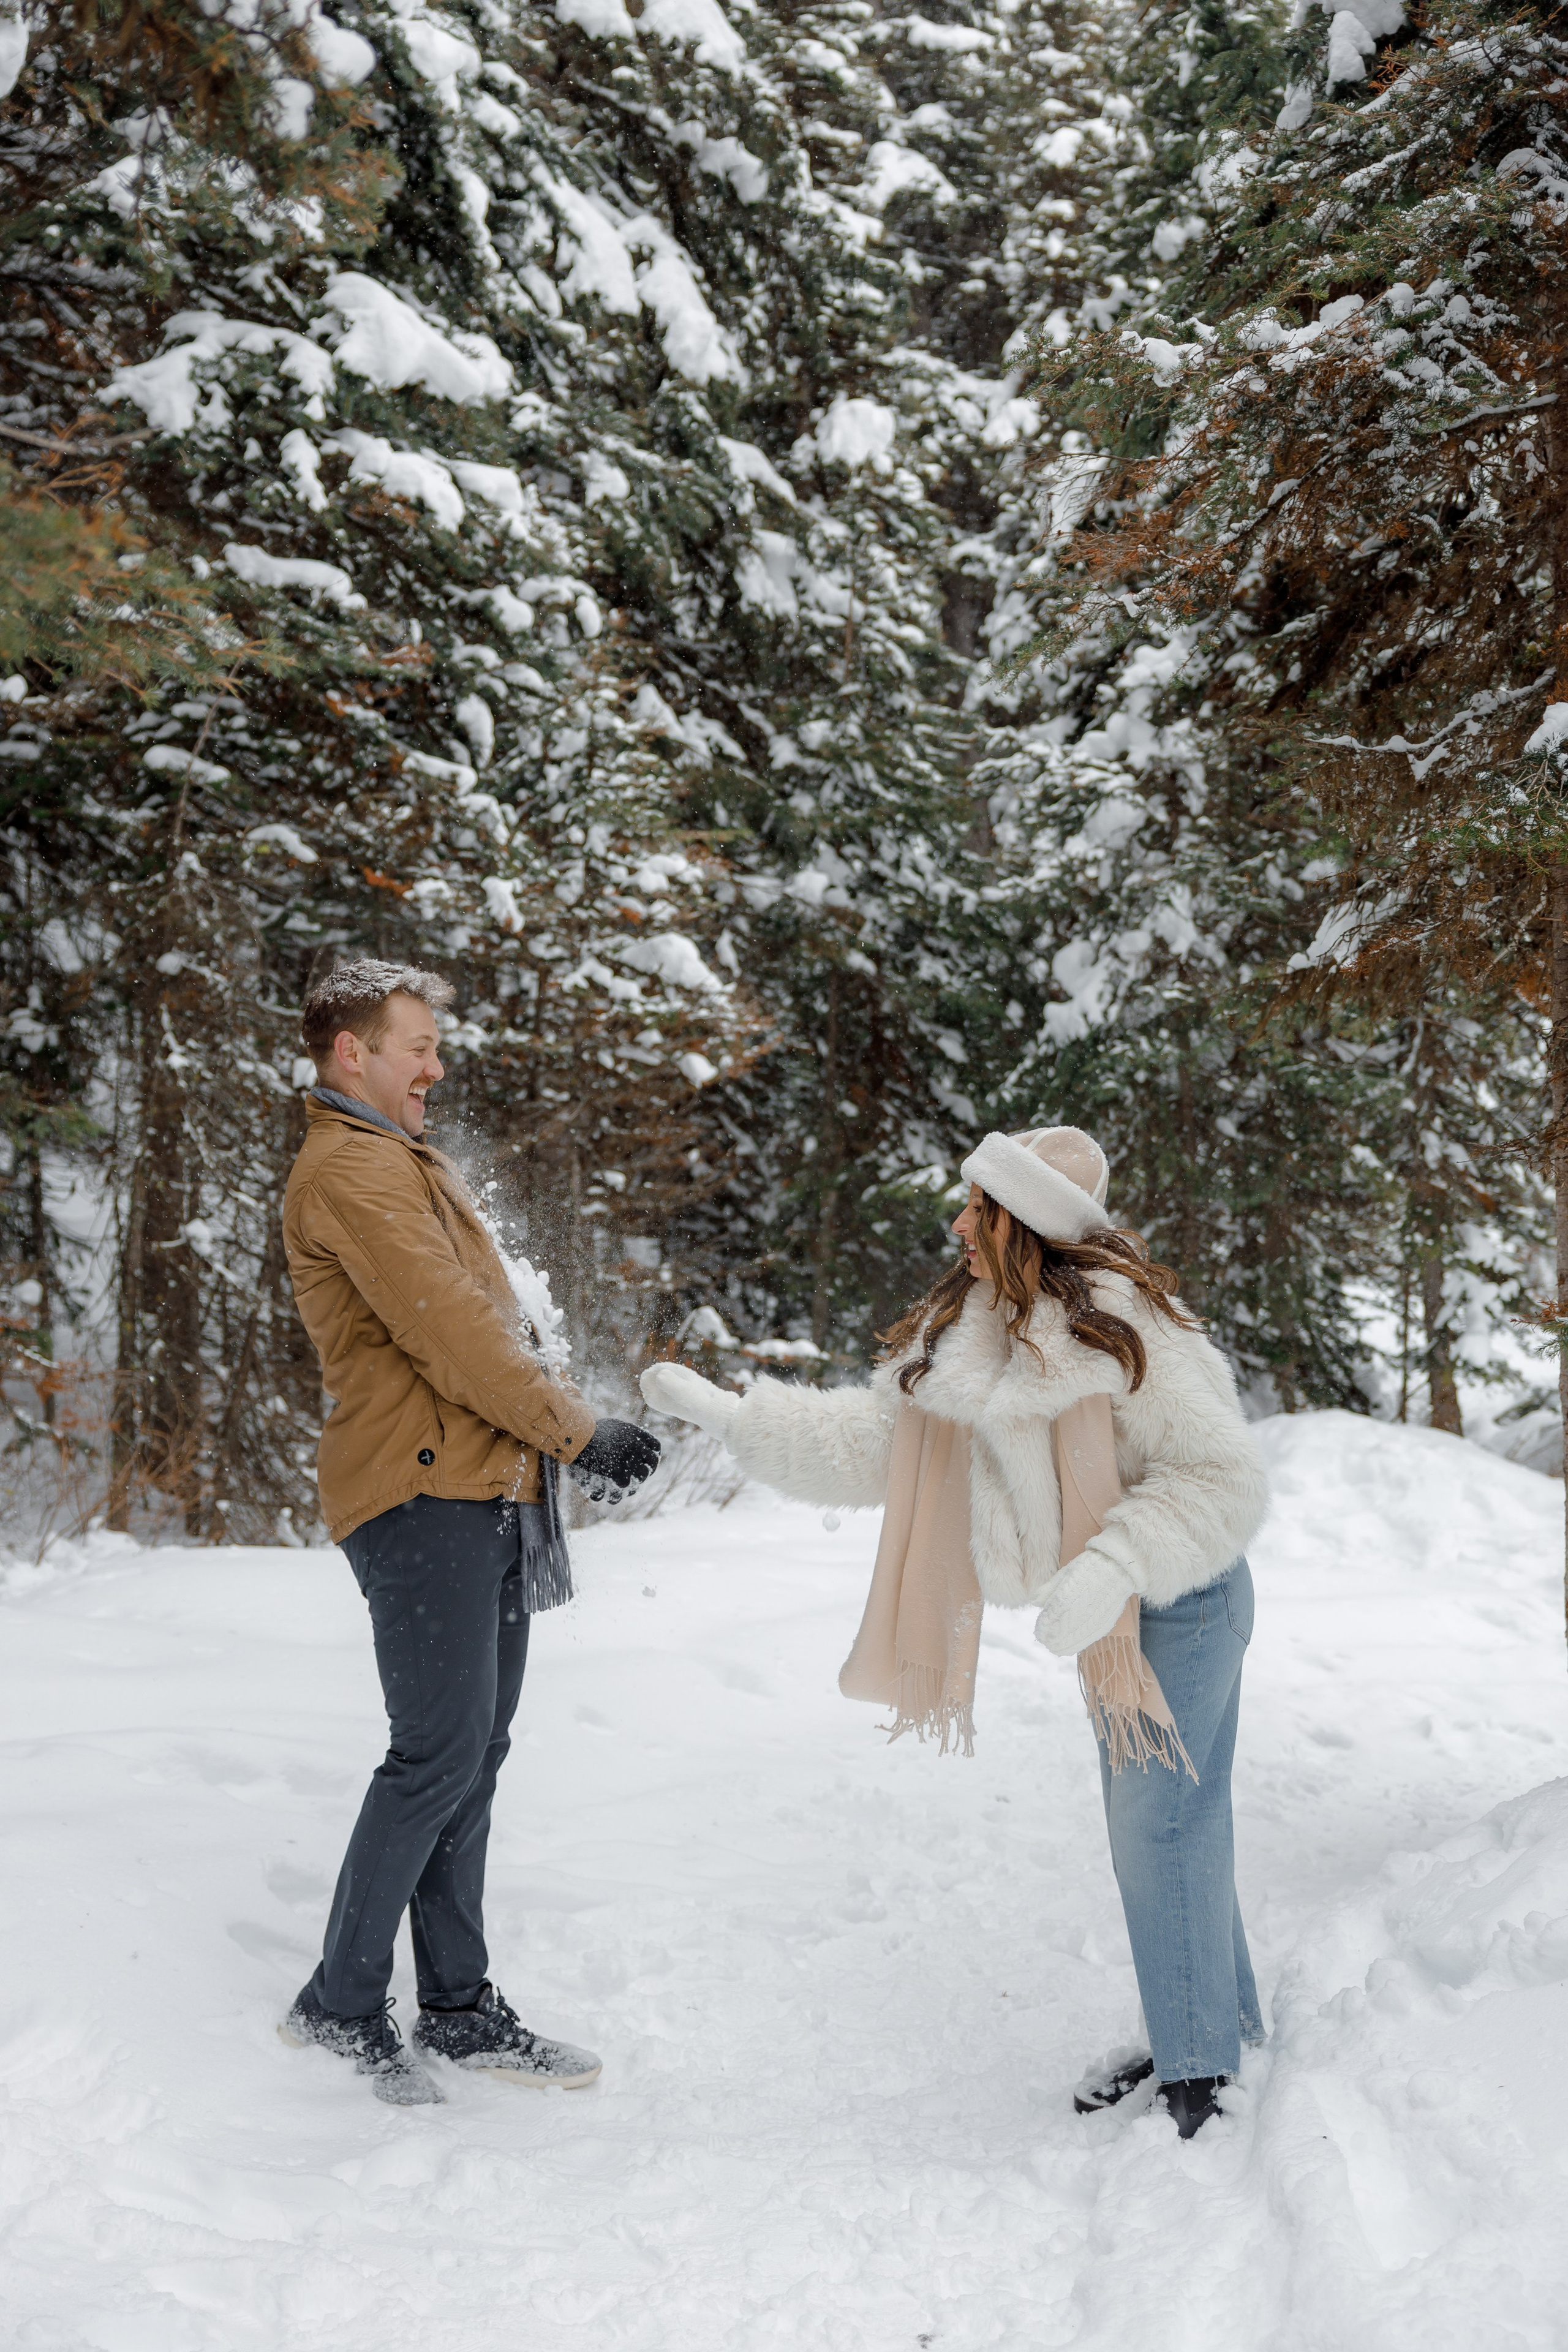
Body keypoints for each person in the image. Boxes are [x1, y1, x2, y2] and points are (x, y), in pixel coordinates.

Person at [641, 1126, 1267, 2138]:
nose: (959, 1223)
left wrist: (1113, 1564)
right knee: (1161, 1830)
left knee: (1162, 1830)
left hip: (1180, 1599)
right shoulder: (981, 1327)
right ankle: (1214, 2019)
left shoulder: (1125, 1322)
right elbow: (876, 1442)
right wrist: (737, 1420)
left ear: (1027, 1223)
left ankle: (1202, 2073)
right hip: (1108, 1616)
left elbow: (1224, 1479)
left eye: (979, 1207)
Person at [279, 959, 660, 2105]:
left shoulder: (400, 1158)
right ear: (353, 1050)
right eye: (417, 1048)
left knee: (473, 1757)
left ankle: (455, 2006)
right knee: (436, 1754)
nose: (436, 1067)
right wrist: (579, 1430)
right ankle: (341, 2004)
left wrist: (557, 1434)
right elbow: (455, 1337)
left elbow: (496, 1322)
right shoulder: (350, 1170)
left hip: (483, 1488)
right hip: (420, 1495)